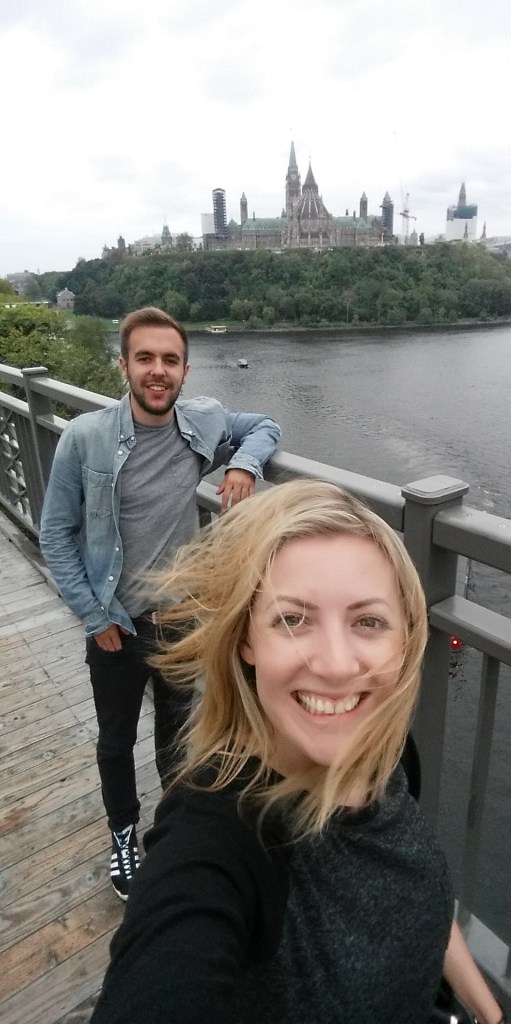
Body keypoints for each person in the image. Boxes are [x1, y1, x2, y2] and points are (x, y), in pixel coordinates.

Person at [91, 480, 505, 1023]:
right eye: (292, 619)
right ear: (246, 639)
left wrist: (490, 1014)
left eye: (368, 621)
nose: (336, 665)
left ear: (405, 639)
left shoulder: (387, 755)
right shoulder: (218, 837)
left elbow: (410, 887)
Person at [39, 306, 280, 902]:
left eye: (169, 360)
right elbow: (54, 536)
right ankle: (123, 834)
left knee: (177, 738)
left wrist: (245, 465)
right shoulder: (84, 437)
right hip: (116, 624)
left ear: (185, 371)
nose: (157, 371)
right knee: (115, 741)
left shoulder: (201, 422)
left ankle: (170, 834)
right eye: (145, 358)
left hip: (181, 621)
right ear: (123, 365)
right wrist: (95, 619)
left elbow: (266, 425)